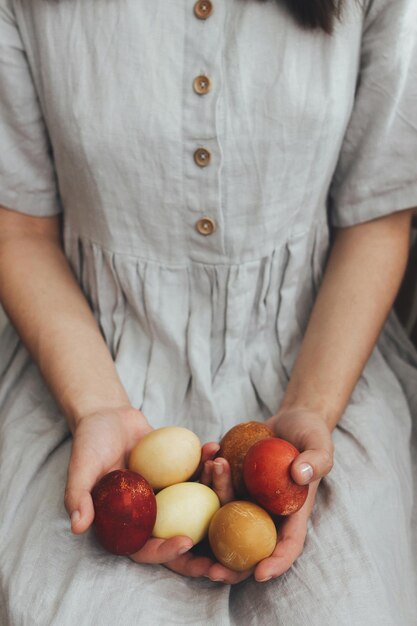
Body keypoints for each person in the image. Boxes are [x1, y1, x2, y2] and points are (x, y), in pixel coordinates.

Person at [0, 0, 417, 624]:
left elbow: (376, 220)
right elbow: (19, 230)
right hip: (82, 359)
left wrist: (311, 406)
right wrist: (98, 407)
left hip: (322, 357)